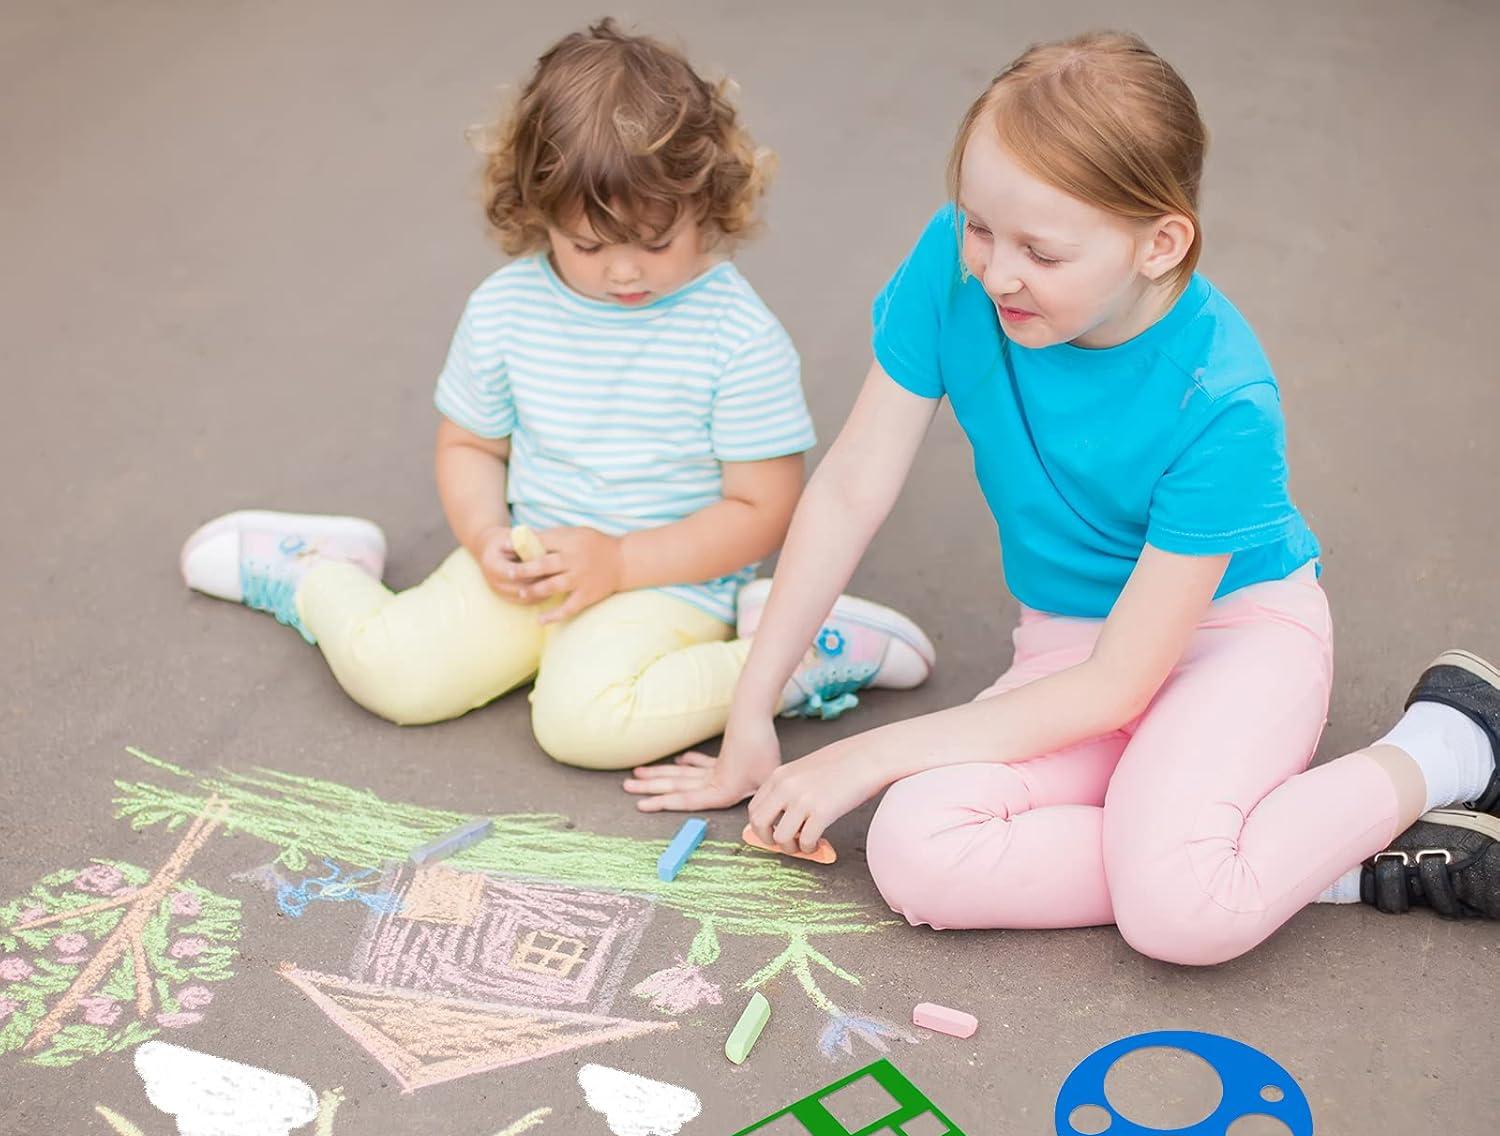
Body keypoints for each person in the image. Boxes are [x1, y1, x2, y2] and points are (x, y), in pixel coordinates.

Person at [625, 30, 1499, 956]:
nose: (996, 270)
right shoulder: (955, 268)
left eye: (1040, 251)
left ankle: (1446, 744)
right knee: (916, 851)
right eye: (979, 227)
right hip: (1070, 642)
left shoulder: (1224, 396)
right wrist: (754, 709)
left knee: (1183, 918)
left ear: (1160, 244)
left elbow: (1123, 685)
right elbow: (849, 488)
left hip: (1231, 639)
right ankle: (1255, 853)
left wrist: (868, 751)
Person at [178, 18, 934, 771]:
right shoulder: (507, 309)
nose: (624, 272)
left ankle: (803, 652)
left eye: (656, 241)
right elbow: (471, 445)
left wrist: (622, 563)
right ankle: (316, 570)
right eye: (590, 246)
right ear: (539, 216)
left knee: (582, 724)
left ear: (708, 200)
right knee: (395, 674)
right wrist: (484, 538)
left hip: (669, 579)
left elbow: (762, 508)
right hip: (535, 559)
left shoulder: (735, 335)